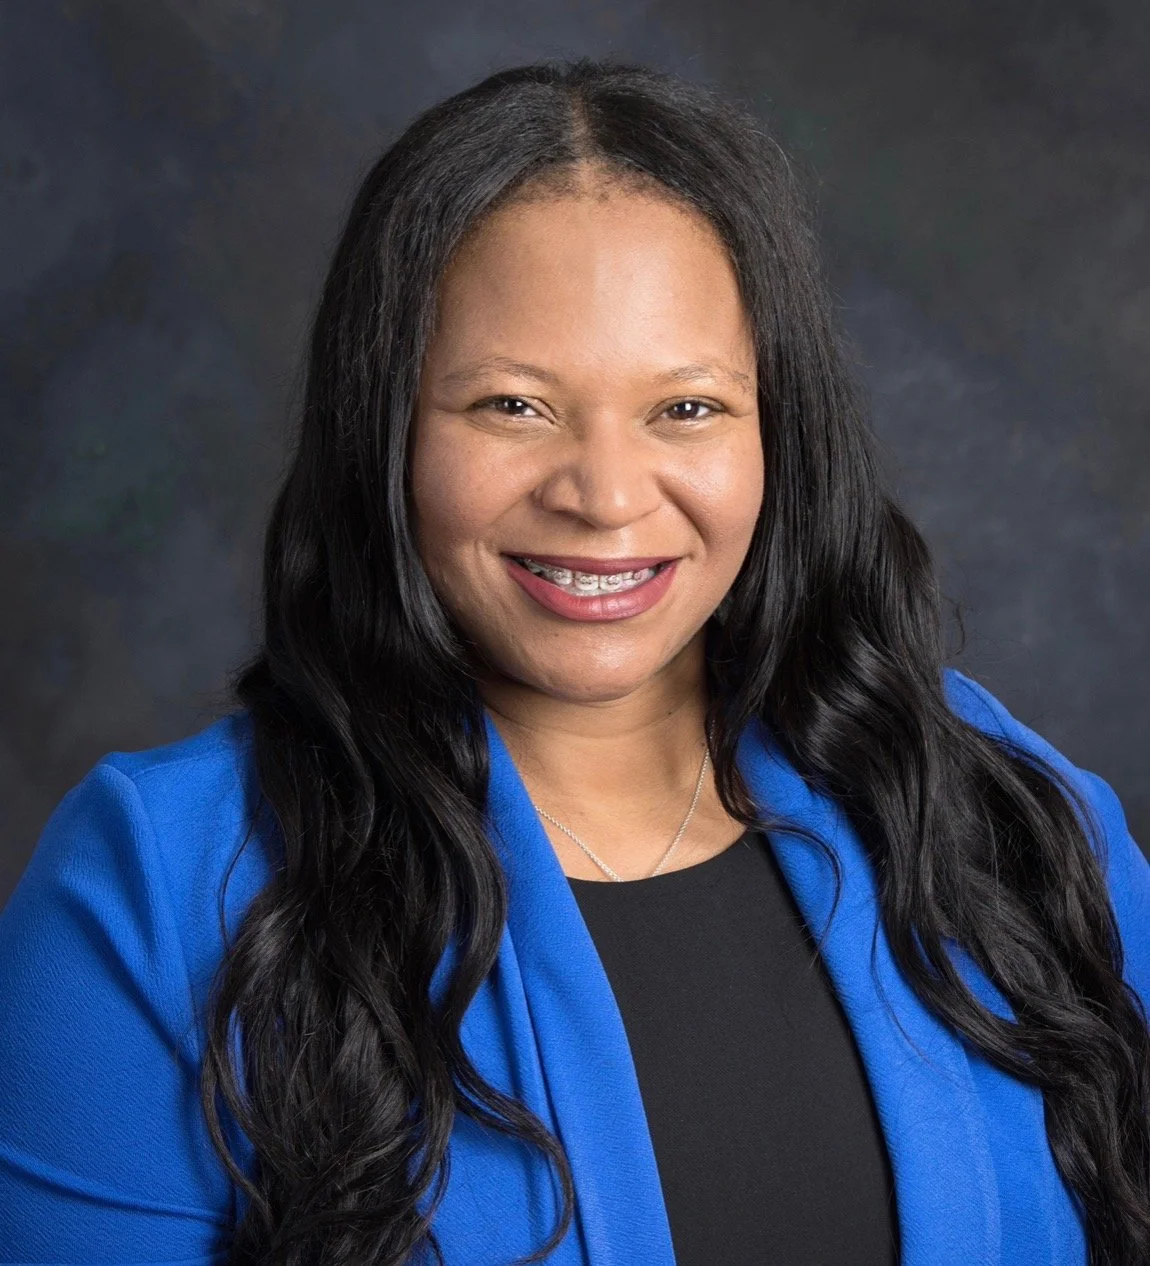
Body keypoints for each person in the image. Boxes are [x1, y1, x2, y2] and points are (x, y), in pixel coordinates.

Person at [1, 58, 1147, 1266]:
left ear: (779, 431)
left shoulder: (996, 812)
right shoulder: (155, 886)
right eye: (512, 406)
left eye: (687, 408)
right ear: (384, 425)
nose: (604, 498)